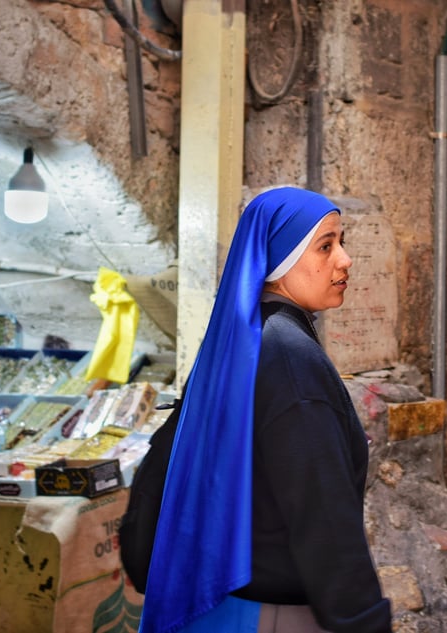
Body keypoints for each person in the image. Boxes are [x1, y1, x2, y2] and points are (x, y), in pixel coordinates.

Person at [140, 188, 392, 633]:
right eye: (326, 245)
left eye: (341, 242)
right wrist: (365, 620)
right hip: (271, 615)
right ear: (280, 257)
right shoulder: (291, 359)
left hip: (216, 603)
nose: (345, 259)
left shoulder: (240, 343)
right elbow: (323, 515)